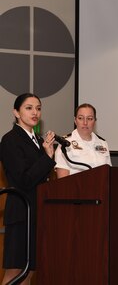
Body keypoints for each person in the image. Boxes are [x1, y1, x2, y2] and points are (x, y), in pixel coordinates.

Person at [0, 93, 56, 285]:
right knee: (16, 271)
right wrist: (47, 158)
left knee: (30, 272)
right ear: (16, 112)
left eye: (38, 108)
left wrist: (47, 154)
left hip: (37, 213)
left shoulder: (38, 140)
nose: (35, 112)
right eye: (29, 108)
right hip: (22, 213)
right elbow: (24, 179)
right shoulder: (10, 140)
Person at [55, 103, 112, 178]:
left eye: (89, 118)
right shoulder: (64, 143)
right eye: (81, 118)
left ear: (95, 121)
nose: (85, 123)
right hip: (75, 189)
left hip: (101, 188)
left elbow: (108, 174)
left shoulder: (103, 143)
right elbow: (63, 182)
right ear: (75, 120)